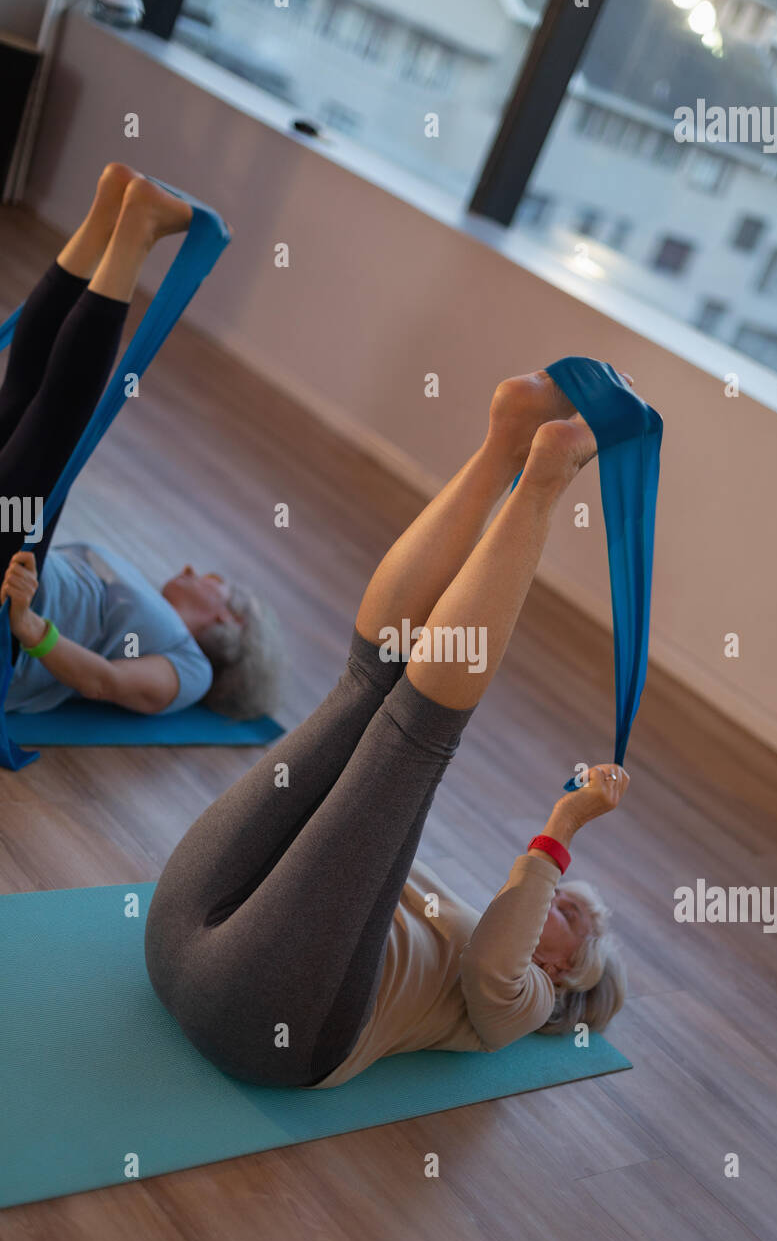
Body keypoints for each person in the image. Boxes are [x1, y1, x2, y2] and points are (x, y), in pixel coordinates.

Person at [145, 367, 631, 1089]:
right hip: (180, 935)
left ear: (564, 972)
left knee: (412, 734)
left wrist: (558, 834)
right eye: (566, 897)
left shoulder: (523, 1007)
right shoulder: (451, 911)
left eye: (573, 919)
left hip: (261, 1025)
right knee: (369, 690)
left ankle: (539, 472)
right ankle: (512, 444)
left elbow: (496, 959)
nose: (564, 898)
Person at [0, 163, 282, 721]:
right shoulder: (136, 590)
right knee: (27, 398)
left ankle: (134, 225)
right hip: (12, 552)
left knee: (54, 421)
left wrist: (31, 628)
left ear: (230, 623)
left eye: (217, 585)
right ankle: (112, 216)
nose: (196, 570)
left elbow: (105, 682)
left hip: (7, 626)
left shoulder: (190, 670)